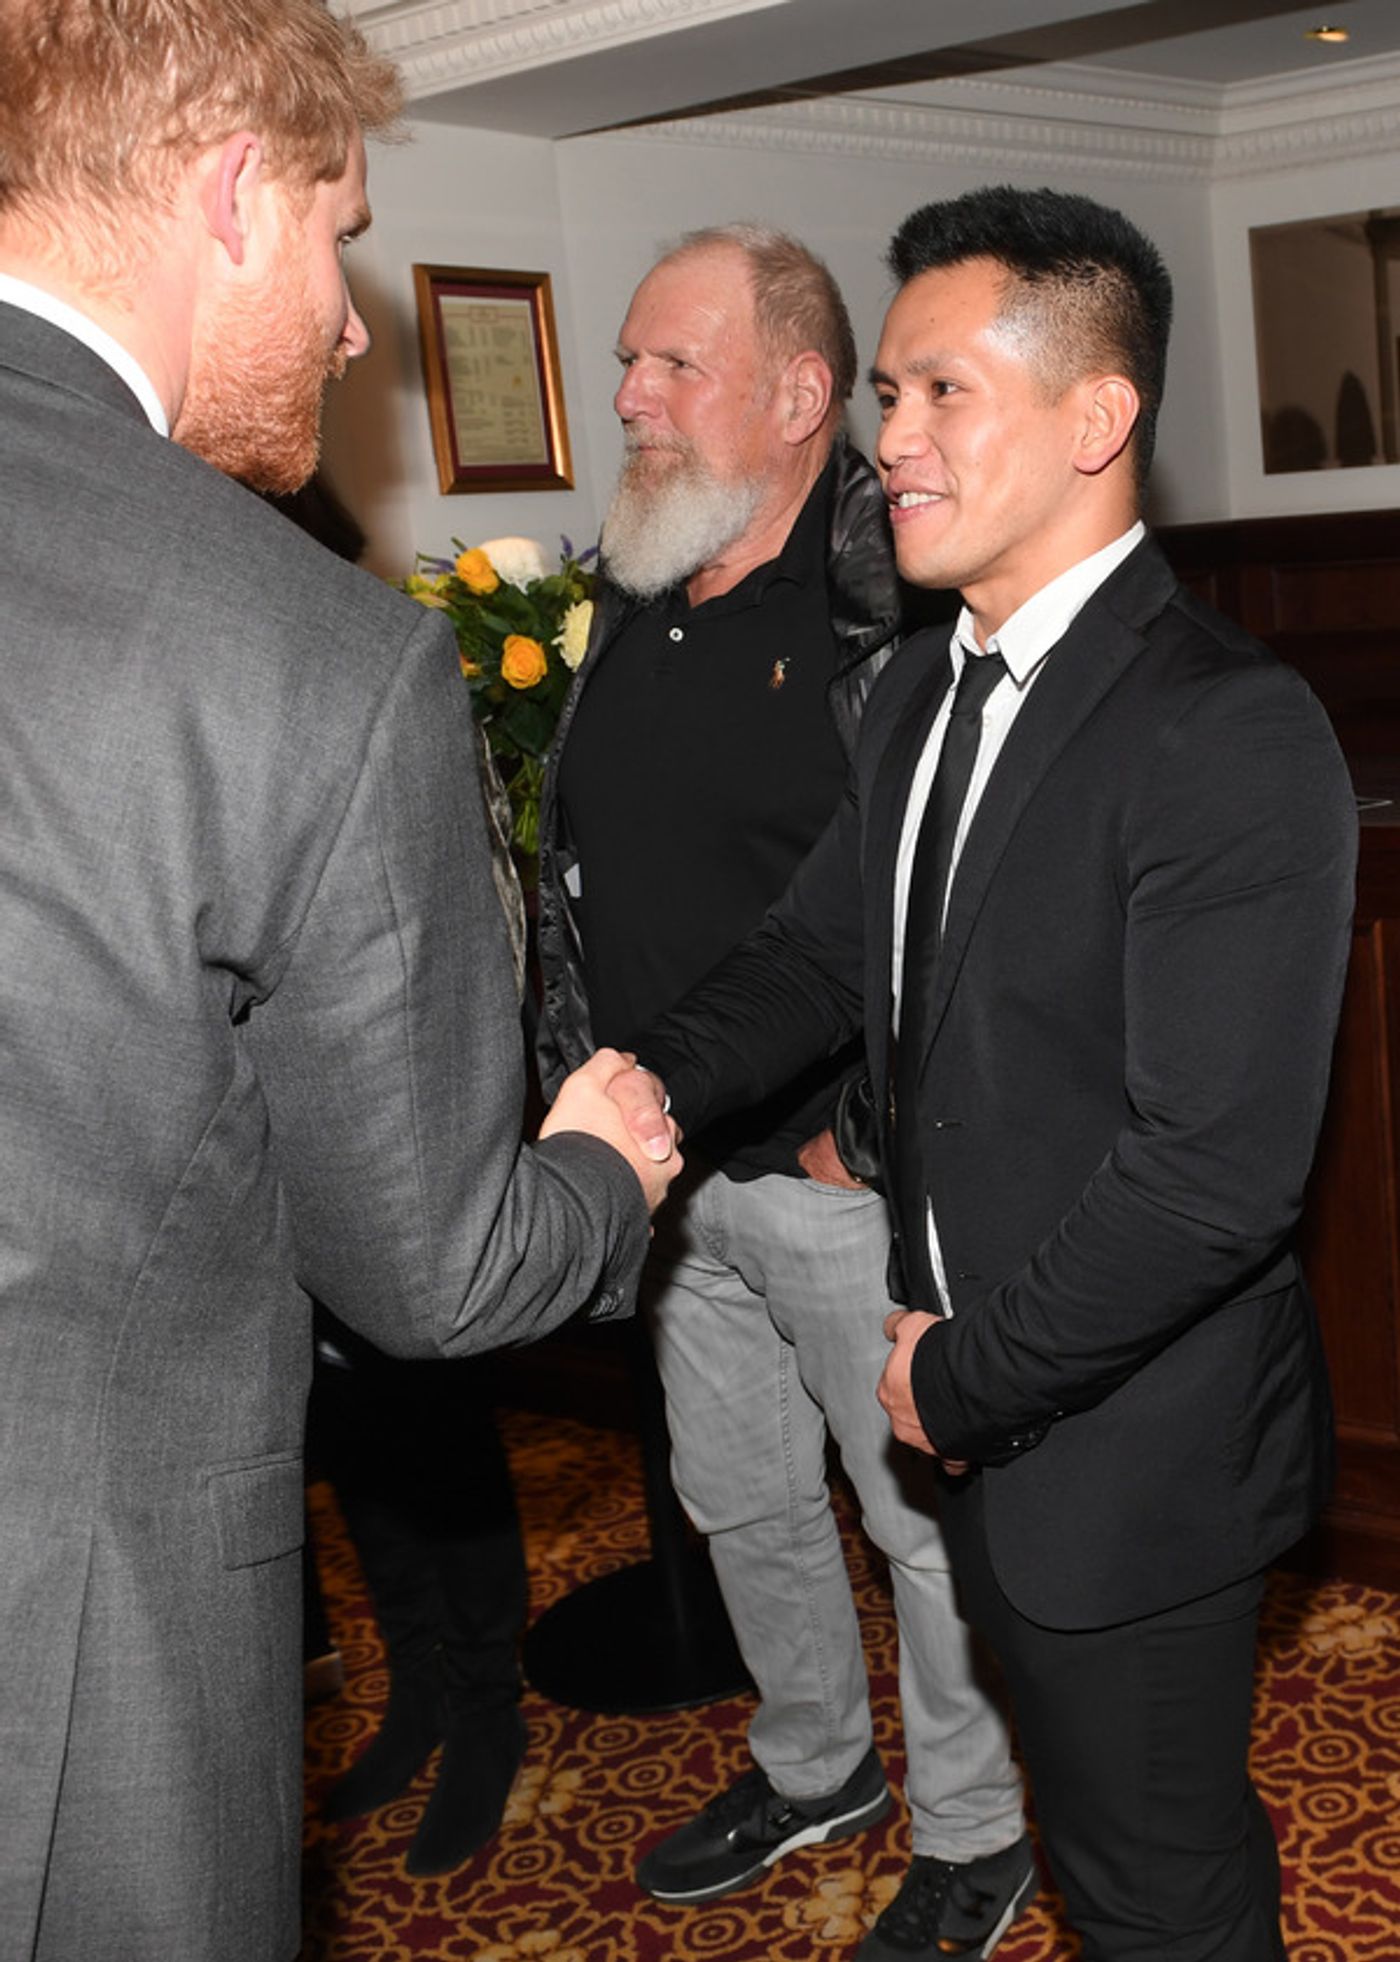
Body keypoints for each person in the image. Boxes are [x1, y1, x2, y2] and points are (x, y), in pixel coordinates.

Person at [0, 4, 678, 1958]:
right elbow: (433, 1273)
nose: (356, 324)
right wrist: (603, 1166)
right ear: (232, 194)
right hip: (75, 1657)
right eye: (339, 232)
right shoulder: (301, 650)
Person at [632, 185, 1357, 1961]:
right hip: (979, 1422)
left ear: (1098, 418)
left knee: (1158, 1888)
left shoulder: (1224, 728)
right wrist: (641, 1086)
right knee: (1119, 1843)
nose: (893, 442)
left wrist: (960, 1379)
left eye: (944, 392)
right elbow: (818, 957)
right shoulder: (912, 694)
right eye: (889, 395)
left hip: (1129, 1448)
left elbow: (1211, 1178)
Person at [537, 223, 1031, 1959]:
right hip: (672, 1174)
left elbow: (961, 912)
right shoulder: (636, 589)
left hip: (842, 1175)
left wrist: (864, 1136)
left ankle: (976, 1827)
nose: (631, 396)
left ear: (804, 393)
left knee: (918, 1519)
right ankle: (818, 1764)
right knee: (740, 1495)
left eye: (675, 364)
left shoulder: (898, 617)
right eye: (629, 361)